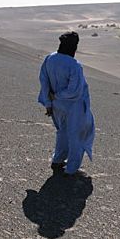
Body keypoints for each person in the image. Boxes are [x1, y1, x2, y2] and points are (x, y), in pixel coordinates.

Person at [38, 31, 95, 176]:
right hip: (74, 107)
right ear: (74, 47)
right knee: (77, 135)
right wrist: (57, 96)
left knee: (62, 133)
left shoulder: (49, 59)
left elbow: (44, 82)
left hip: (57, 106)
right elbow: (74, 91)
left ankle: (58, 160)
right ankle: (71, 169)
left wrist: (49, 103)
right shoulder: (74, 65)